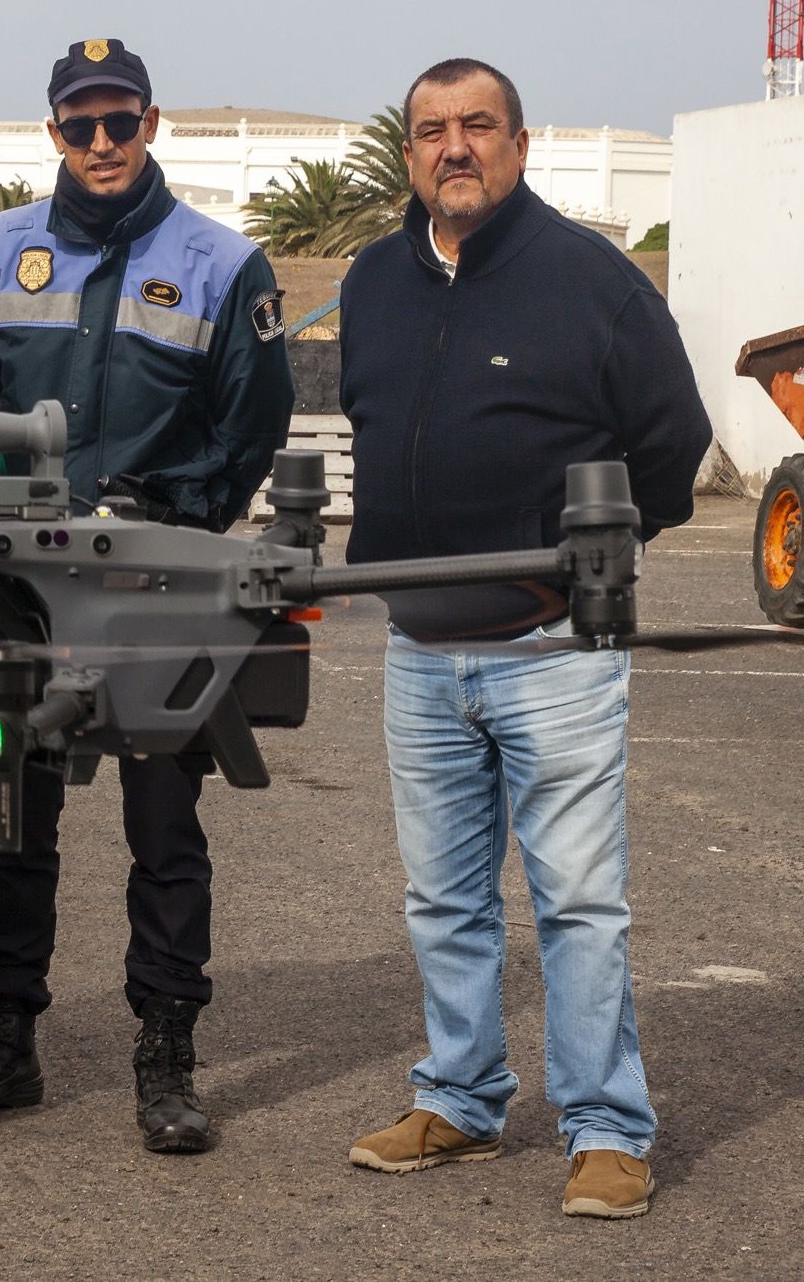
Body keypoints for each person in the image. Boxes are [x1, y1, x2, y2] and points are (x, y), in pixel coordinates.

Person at [340, 59, 710, 1220]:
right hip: (415, 649)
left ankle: (604, 1126)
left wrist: (593, 555)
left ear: (517, 142)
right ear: (408, 153)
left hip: (549, 649)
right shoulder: (367, 280)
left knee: (577, 901)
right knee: (441, 899)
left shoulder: (588, 278)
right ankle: (458, 1097)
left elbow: (671, 439)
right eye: (430, 130)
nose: (453, 147)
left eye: (476, 126)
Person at [0, 38, 293, 1153]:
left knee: (163, 824)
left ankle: (165, 1052)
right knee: (8, 811)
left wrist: (176, 520)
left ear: (149, 123)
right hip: (19, 588)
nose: (99, 143)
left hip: (155, 592)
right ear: (51, 132)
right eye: (77, 124)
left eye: (117, 121)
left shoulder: (223, 262)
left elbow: (251, 424)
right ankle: (5, 1038)